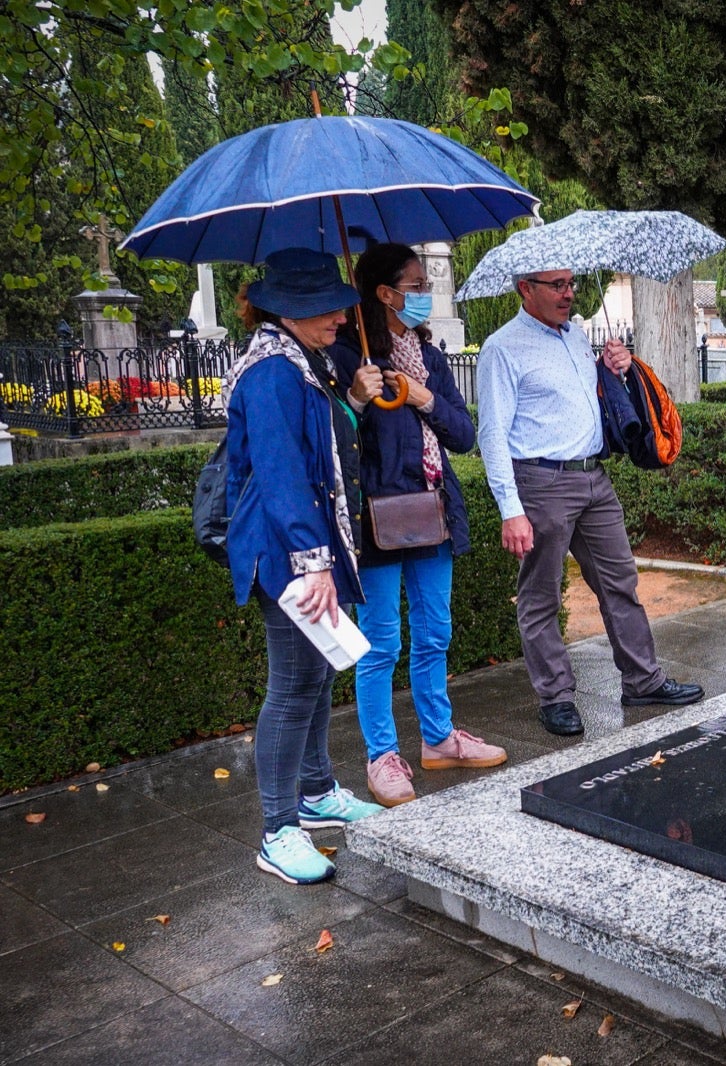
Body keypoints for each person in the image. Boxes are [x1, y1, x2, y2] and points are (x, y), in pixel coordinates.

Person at [477, 268, 704, 737]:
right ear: (526, 289)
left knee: (620, 582)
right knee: (541, 594)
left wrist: (615, 366)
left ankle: (643, 680)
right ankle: (556, 696)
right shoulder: (502, 348)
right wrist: (510, 508)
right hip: (541, 481)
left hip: (593, 478)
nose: (569, 293)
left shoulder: (577, 336)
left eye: (571, 283)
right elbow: (492, 433)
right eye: (557, 285)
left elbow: (593, 398)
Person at [222, 248, 385, 885]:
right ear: (289, 311)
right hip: (288, 556)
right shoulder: (271, 373)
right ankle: (277, 830)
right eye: (327, 308)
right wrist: (312, 563)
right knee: (292, 686)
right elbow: (282, 474)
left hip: (306, 549)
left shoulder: (300, 361)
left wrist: (354, 400)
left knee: (316, 676)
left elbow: (327, 452)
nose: (342, 317)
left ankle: (316, 796)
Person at [329, 243, 505, 808]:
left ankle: (438, 738)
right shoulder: (346, 355)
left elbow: (464, 434)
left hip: (434, 510)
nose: (425, 292)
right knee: (381, 642)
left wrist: (425, 397)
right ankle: (382, 755)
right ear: (385, 293)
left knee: (434, 633)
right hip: (377, 518)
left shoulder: (429, 355)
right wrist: (356, 399)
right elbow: (334, 442)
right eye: (416, 284)